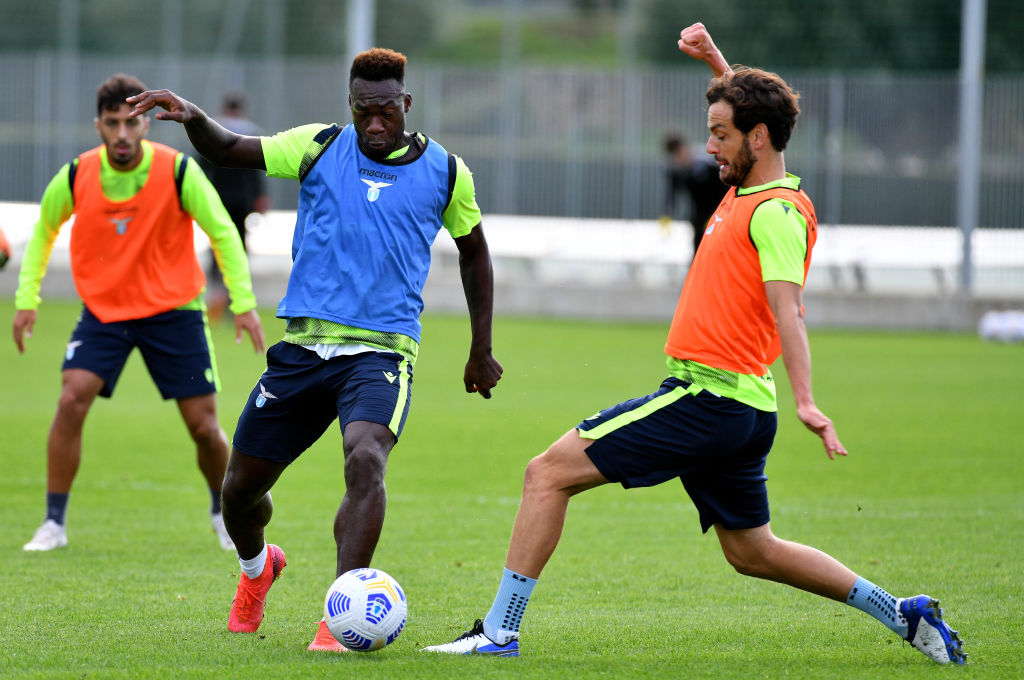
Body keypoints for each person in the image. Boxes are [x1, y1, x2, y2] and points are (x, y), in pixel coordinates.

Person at [421, 23, 966, 666]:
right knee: (753, 552)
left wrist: (808, 401)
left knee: (546, 474)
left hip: (710, 398)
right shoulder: (750, 188)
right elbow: (744, 111)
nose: (710, 146)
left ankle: (499, 630)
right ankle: (904, 614)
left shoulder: (776, 214)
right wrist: (715, 62)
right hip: (733, 406)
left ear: (756, 139)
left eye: (720, 134)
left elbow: (789, 311)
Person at [127, 47, 503, 651]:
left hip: (382, 352)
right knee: (239, 492)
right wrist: (194, 116)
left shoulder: (447, 172)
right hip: (303, 348)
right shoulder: (318, 146)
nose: (375, 125)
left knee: (365, 460)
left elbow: (474, 251)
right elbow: (228, 149)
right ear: (350, 106)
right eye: (363, 112)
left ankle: (341, 613)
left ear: (405, 104)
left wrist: (480, 347)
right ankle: (257, 571)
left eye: (386, 111)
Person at [13, 73, 266, 554]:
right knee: (71, 400)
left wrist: (244, 303)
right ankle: (53, 523)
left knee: (203, 426)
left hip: (174, 311)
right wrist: (27, 300)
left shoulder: (177, 171)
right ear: (99, 126)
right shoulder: (76, 175)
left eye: (133, 122)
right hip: (106, 313)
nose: (123, 133)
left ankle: (222, 513)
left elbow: (223, 233)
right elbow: (43, 231)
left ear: (147, 125)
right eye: (113, 124)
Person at [196, 93, 270, 322]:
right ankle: (233, 297)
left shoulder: (212, 131)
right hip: (243, 200)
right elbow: (260, 166)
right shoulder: (251, 132)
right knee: (238, 246)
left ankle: (218, 294)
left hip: (218, 199)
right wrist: (260, 196)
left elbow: (200, 167)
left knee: (218, 244)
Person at [659, 131, 728, 258]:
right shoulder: (678, 171)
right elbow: (672, 194)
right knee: (699, 248)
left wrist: (717, 212)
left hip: (719, 213)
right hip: (698, 216)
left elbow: (724, 189)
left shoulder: (708, 163)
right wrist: (667, 215)